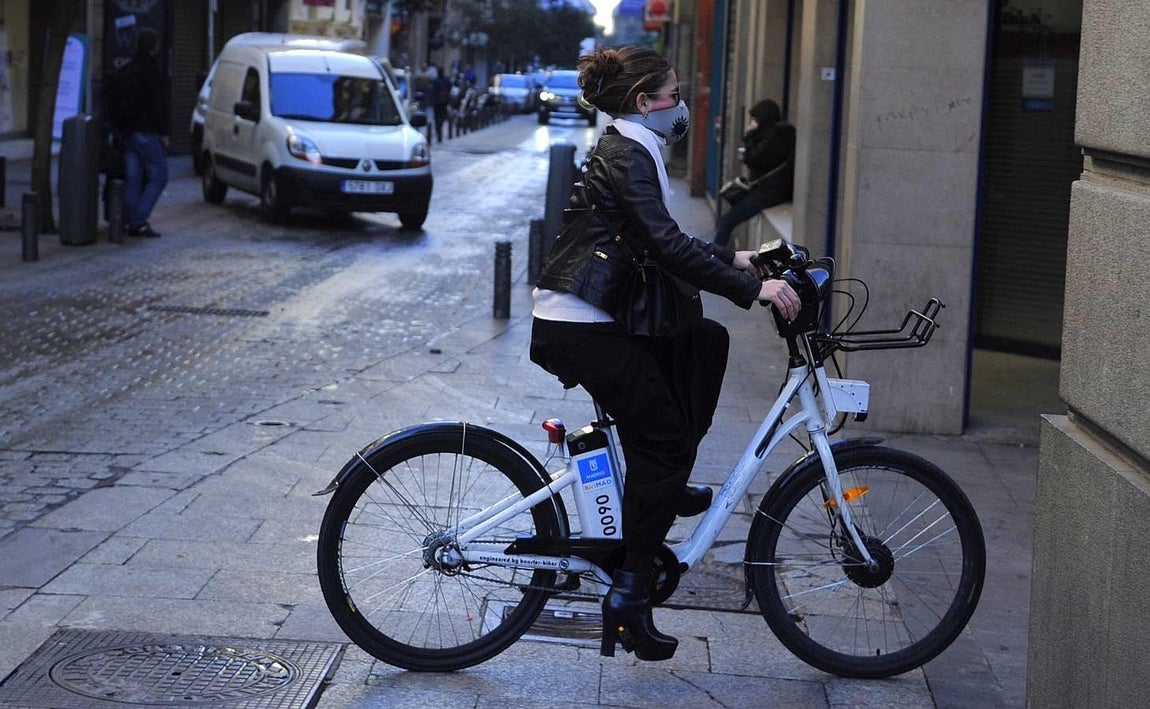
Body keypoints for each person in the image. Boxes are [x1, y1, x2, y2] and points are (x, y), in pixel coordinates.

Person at [529, 47, 800, 662]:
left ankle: (667, 485)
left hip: (597, 311)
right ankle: (628, 594)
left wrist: (737, 259)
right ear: (644, 101)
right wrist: (752, 289)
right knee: (663, 442)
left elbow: (660, 236)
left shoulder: (633, 145)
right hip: (579, 322)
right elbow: (664, 242)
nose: (683, 106)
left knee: (704, 342)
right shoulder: (628, 150)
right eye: (675, 95)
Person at [108, 28, 169, 238]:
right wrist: (163, 131)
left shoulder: (127, 70)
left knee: (133, 177)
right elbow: (158, 104)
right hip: (148, 131)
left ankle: (128, 220)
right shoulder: (152, 72)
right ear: (154, 47)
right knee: (159, 176)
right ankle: (138, 220)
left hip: (128, 133)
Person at [712, 98, 795, 247]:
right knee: (727, 218)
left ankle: (715, 258)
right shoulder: (771, 134)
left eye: (756, 119)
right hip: (764, 190)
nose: (753, 123)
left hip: (769, 192)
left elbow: (754, 158)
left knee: (727, 221)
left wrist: (749, 135)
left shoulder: (779, 136)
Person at [430, 67, 452, 143]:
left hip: (438, 102)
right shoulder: (445, 80)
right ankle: (439, 131)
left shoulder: (436, 80)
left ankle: (438, 130)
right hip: (442, 102)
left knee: (438, 118)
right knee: (441, 117)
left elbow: (432, 91)